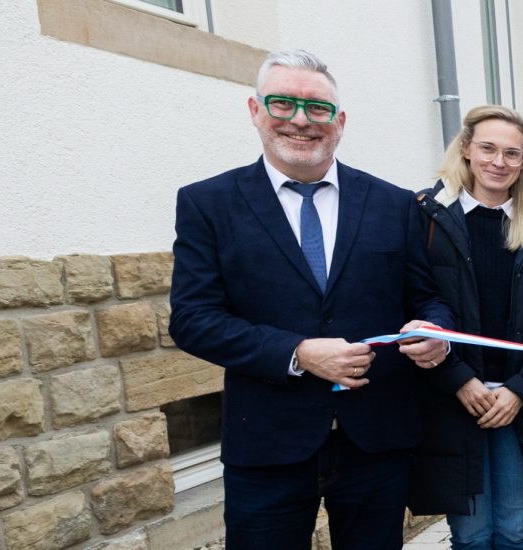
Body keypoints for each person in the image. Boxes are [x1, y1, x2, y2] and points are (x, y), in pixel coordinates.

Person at [168, 49, 452, 549]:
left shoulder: (393, 204)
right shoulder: (208, 204)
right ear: (255, 111)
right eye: (282, 104)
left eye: (318, 108)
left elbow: (426, 299)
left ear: (340, 122)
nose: (300, 120)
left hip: (376, 440)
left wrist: (435, 334)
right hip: (268, 443)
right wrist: (297, 353)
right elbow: (193, 319)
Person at [406, 105, 523, 549]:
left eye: (512, 153)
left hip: (519, 402)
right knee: (471, 534)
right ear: (466, 149)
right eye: (487, 148)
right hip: (454, 400)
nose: (498, 162)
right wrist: (460, 380)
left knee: (515, 530)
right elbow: (415, 305)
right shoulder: (428, 217)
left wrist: (521, 390)